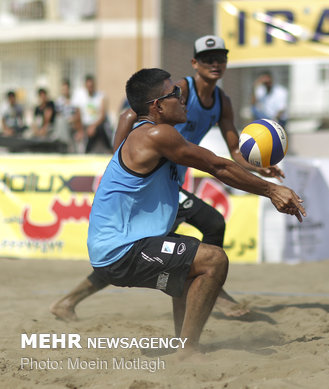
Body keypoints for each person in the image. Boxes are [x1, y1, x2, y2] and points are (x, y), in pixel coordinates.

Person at [51, 35, 284, 322]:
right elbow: (129, 114)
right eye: (208, 58)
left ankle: (70, 300)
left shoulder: (222, 101)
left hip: (171, 183)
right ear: (194, 63)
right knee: (208, 224)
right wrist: (121, 163)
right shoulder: (179, 90)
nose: (215, 63)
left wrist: (259, 168)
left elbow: (234, 149)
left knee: (144, 249)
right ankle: (213, 286)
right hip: (153, 181)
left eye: (220, 58)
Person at [86, 67, 305, 358]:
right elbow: (218, 166)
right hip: (120, 249)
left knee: (190, 263)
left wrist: (260, 172)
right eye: (174, 93)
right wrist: (271, 190)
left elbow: (227, 157)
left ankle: (182, 344)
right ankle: (188, 349)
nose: (182, 98)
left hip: (120, 245)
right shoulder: (156, 134)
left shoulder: (154, 131)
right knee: (213, 260)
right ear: (158, 106)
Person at [72, 74, 112, 153]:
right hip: (84, 125)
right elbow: (77, 115)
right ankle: (86, 151)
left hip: (97, 124)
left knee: (101, 128)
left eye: (91, 86)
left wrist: (93, 126)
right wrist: (80, 130)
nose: (90, 88)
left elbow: (102, 115)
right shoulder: (80, 96)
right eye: (88, 86)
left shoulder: (100, 96)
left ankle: (109, 150)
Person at [55, 78, 84, 153]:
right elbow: (58, 115)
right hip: (64, 123)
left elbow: (78, 115)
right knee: (61, 122)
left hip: (73, 123)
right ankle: (64, 144)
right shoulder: (59, 101)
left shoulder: (74, 100)